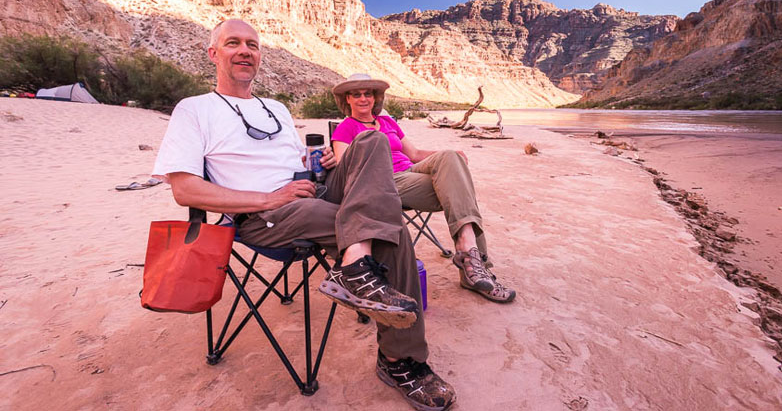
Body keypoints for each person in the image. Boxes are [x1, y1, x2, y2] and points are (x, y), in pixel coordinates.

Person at [152, 20, 456, 411]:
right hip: (263, 215)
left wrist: (326, 163)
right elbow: (185, 190)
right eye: (233, 43)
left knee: (372, 139)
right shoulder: (194, 109)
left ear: (260, 56)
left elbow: (298, 165)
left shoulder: (274, 107)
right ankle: (399, 361)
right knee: (391, 228)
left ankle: (354, 264)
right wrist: (267, 198)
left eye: (253, 44)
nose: (245, 50)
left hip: (311, 192)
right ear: (214, 53)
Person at [331, 74, 515, 303]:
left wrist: (452, 156)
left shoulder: (388, 122)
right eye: (356, 94)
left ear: (375, 97)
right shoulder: (345, 128)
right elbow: (345, 168)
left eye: (368, 93)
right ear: (347, 99)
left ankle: (468, 251)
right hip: (385, 182)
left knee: (450, 159)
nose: (363, 99)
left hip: (412, 172)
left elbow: (415, 155)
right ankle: (477, 265)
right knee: (459, 191)